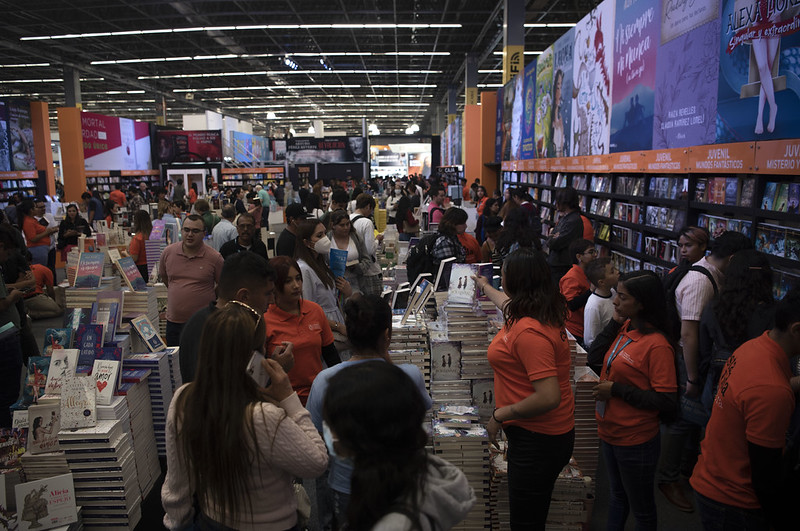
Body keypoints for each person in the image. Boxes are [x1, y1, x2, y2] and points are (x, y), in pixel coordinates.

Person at [162, 302, 328, 530]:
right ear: (254, 359)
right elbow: (317, 462)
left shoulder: (184, 399)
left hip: (211, 522)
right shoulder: (263, 417)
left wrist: (180, 524)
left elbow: (177, 483)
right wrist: (289, 398)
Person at [306, 295, 433, 528]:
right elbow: (420, 413)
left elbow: (315, 439)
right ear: (386, 335)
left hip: (346, 487)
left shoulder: (325, 380)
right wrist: (385, 356)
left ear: (350, 335)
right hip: (397, 487)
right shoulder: (410, 375)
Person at [474, 248, 575, 530]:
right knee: (531, 512)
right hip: (539, 435)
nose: (500, 280)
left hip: (539, 440)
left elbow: (548, 396)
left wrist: (499, 416)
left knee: (526, 521)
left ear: (514, 281)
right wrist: (483, 286)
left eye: (501, 275)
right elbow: (506, 304)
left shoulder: (529, 332)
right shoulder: (536, 310)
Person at [657, 231, 753, 512]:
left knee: (691, 420)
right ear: (734, 259)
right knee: (683, 420)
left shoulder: (708, 275)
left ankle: (682, 474)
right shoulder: (701, 280)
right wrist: (693, 377)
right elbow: (689, 333)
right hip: (689, 359)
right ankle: (668, 478)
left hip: (694, 358)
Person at [690, 288, 800, 531]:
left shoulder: (755, 346)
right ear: (796, 329)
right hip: (735, 501)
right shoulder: (772, 391)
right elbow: (765, 476)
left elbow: (752, 393)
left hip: (714, 478)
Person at [322, 361, 474, 531]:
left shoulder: (395, 523)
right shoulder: (412, 475)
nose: (327, 430)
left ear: (361, 435)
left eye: (331, 423)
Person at [588, 270, 678, 531]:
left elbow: (666, 400)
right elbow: (595, 357)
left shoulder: (657, 345)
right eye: (617, 294)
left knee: (642, 508)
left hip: (635, 438)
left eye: (623, 297)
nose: (615, 301)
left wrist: (616, 390)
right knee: (618, 496)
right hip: (610, 431)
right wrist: (615, 322)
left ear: (642, 303)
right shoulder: (627, 326)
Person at [179, 252, 281, 383]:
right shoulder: (211, 330)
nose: (272, 300)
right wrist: (276, 373)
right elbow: (228, 393)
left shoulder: (202, 321)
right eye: (268, 294)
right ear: (244, 297)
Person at [697, 250, 775, 418]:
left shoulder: (714, 307)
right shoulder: (772, 314)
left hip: (716, 384)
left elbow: (703, 350)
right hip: (756, 389)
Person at [264, 256, 340, 405]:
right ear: (274, 286)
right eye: (288, 281)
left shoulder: (315, 311)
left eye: (298, 279)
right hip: (284, 400)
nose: (296, 285)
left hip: (318, 396)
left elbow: (332, 357)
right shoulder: (265, 319)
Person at [158, 214, 224, 346]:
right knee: (176, 362)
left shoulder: (214, 258)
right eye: (186, 230)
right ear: (181, 231)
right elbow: (165, 277)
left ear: (204, 233)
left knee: (201, 362)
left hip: (203, 322)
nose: (190, 234)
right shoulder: (168, 252)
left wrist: (208, 296)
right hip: (174, 322)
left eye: (195, 231)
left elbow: (223, 285)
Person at [293, 219, 352, 340]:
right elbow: (307, 310)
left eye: (325, 233)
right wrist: (337, 326)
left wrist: (345, 292)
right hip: (323, 328)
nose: (325, 238)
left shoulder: (322, 264)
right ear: (306, 242)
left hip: (335, 323)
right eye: (319, 235)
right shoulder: (304, 269)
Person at [0, 224, 24, 427]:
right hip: (4, 338)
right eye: (6, 252)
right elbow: (2, 304)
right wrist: (13, 296)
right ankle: (7, 439)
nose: (7, 258)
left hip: (8, 334)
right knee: (8, 396)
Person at [559, 239, 597, 348]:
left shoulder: (587, 273)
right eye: (590, 252)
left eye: (595, 252)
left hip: (584, 326)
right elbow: (571, 304)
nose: (594, 255)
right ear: (579, 257)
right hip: (575, 329)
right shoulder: (572, 277)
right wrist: (591, 290)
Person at [328, 210, 372, 295]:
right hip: (333, 283)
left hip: (355, 282)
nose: (346, 228)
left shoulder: (356, 238)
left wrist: (357, 267)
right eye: (342, 225)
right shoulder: (327, 239)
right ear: (333, 225)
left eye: (347, 224)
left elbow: (367, 260)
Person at [546, 187, 584, 284]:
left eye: (558, 201)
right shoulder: (566, 217)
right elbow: (553, 237)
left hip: (562, 266)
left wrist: (552, 236)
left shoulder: (573, 220)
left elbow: (555, 243)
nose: (556, 204)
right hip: (557, 264)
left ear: (564, 202)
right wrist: (553, 235)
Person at [583, 257, 619, 349]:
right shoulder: (594, 306)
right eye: (612, 272)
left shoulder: (613, 292)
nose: (617, 271)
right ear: (601, 282)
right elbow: (590, 340)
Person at [350, 194, 382, 296]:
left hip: (353, 269)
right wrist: (377, 241)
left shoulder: (347, 219)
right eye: (371, 209)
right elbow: (369, 250)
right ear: (368, 206)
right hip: (369, 271)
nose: (370, 212)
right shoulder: (366, 222)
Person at [430, 208, 468, 285]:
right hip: (446, 286)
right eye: (462, 223)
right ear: (453, 224)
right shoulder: (445, 242)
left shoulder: (453, 238)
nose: (466, 226)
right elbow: (448, 271)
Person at [19, 199, 57, 268]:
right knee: (40, 269)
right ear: (31, 210)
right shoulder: (28, 222)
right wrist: (47, 232)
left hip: (43, 249)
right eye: (35, 207)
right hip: (37, 249)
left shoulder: (33, 220)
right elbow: (33, 238)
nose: (37, 209)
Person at [128, 210, 153, 282]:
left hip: (140, 270)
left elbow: (134, 258)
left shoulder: (137, 238)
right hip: (152, 269)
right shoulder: (153, 236)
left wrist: (125, 254)